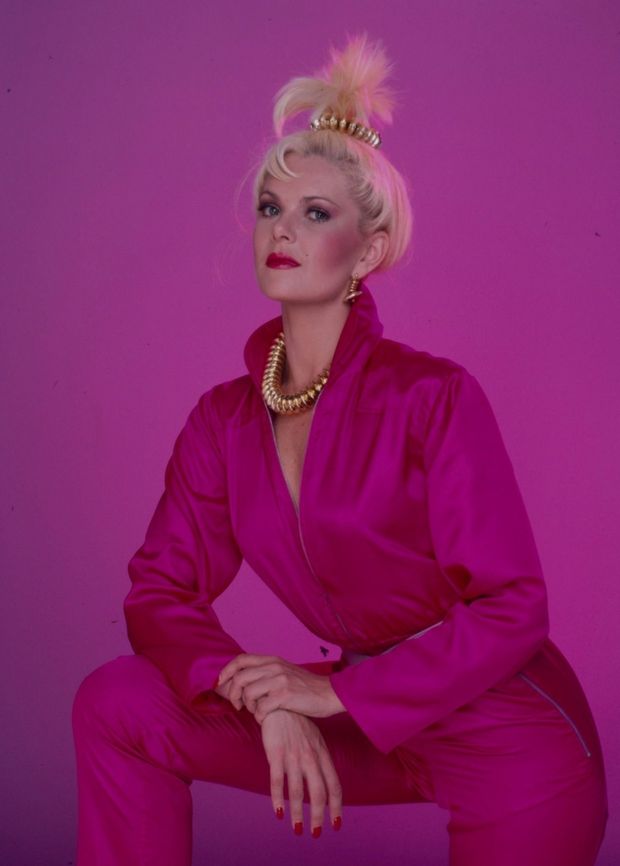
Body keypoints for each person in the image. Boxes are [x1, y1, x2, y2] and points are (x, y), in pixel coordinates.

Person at [72, 33, 608, 866]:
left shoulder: (432, 396)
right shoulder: (222, 422)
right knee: (119, 700)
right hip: (349, 715)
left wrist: (330, 691)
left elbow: (513, 607)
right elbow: (160, 592)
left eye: (316, 213)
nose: (282, 229)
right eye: (270, 208)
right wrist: (265, 695)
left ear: (368, 249)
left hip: (502, 731)